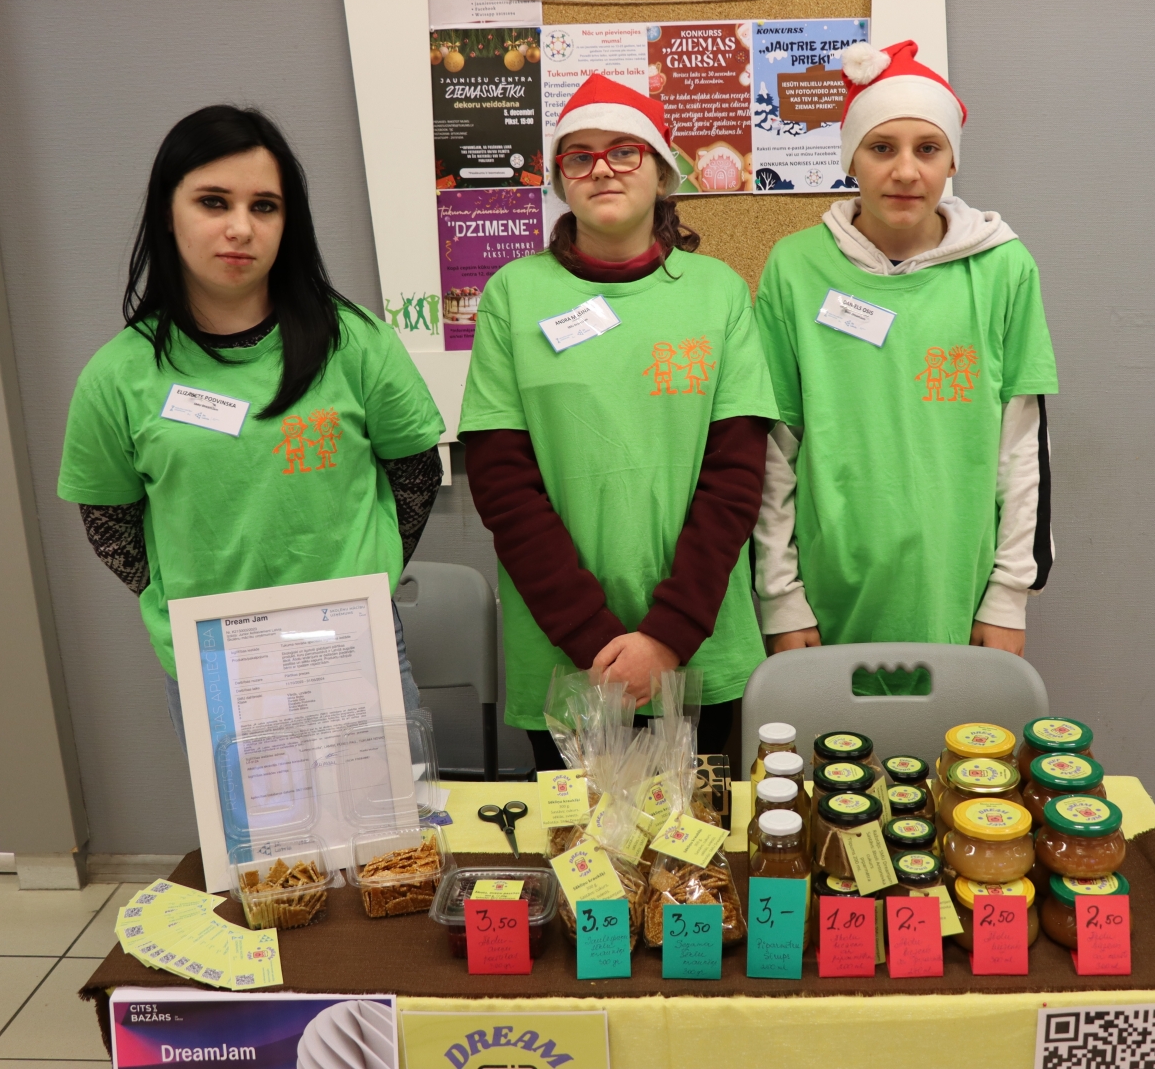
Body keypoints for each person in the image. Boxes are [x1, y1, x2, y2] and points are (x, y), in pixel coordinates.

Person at [58, 106, 446, 747]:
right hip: (216, 660)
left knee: (383, 817)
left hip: (352, 642)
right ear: (167, 211)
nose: (241, 228)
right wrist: (190, 597)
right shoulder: (117, 374)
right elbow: (108, 521)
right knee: (255, 819)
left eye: (264, 206)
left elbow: (416, 473)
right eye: (213, 202)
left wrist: (367, 575)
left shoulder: (355, 342)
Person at [458, 75, 777, 768]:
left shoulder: (719, 292)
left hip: (697, 646)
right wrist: (592, 639)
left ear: (662, 174)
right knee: (583, 836)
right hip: (566, 654)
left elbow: (735, 478)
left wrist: (666, 638)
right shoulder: (514, 294)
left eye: (624, 151)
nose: (601, 168)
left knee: (695, 836)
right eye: (579, 156)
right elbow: (503, 484)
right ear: (560, 181)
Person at [752, 42, 1058, 688]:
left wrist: (1009, 594)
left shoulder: (1004, 268)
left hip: (959, 591)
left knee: (951, 747)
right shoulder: (795, 267)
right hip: (828, 597)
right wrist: (781, 596)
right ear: (851, 158)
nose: (905, 171)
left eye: (928, 148)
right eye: (881, 147)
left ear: (952, 161)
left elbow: (1021, 447)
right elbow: (774, 444)